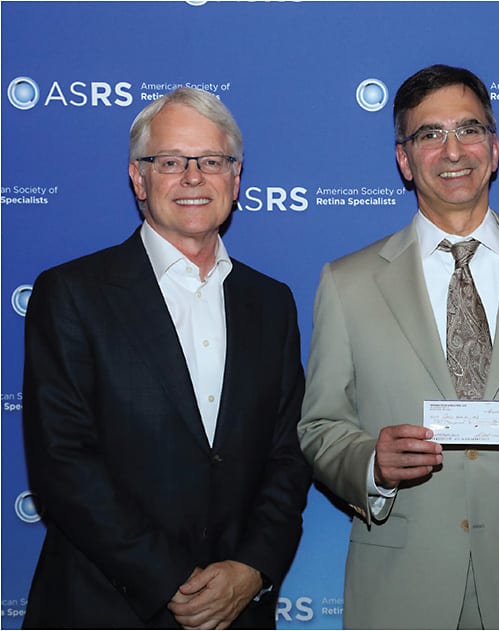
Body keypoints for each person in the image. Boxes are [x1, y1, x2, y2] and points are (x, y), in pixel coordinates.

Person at [298, 64, 499, 629]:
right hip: (400, 593)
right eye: (429, 134)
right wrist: (370, 464)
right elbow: (320, 425)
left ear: (494, 149)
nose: (453, 150)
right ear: (404, 159)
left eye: (469, 129)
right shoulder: (346, 283)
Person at [21, 87, 311, 629]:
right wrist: (170, 580)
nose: (193, 177)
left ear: (236, 176)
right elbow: (63, 463)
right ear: (138, 178)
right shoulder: (72, 294)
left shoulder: (271, 303)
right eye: (171, 161)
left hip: (237, 611)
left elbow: (288, 455)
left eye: (212, 161)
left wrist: (251, 568)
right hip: (105, 608)